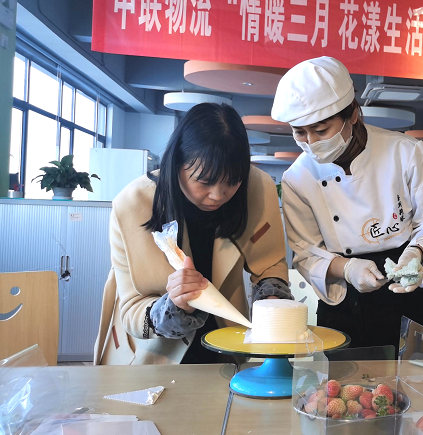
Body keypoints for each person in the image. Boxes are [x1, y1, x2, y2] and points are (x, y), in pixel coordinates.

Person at [273, 57, 423, 357]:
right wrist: (348, 268)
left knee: (419, 381)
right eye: (300, 133)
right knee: (343, 385)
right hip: (344, 296)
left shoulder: (404, 152)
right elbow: (305, 253)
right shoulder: (297, 178)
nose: (311, 143)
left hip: (404, 288)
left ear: (353, 114)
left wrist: (416, 254)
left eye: (321, 130)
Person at [94, 103, 291, 365]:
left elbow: (270, 264)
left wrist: (271, 300)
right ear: (177, 163)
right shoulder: (132, 205)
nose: (218, 195)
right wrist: (173, 307)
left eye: (232, 181)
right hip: (157, 357)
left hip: (227, 346)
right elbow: (130, 311)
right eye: (205, 181)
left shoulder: (256, 186)